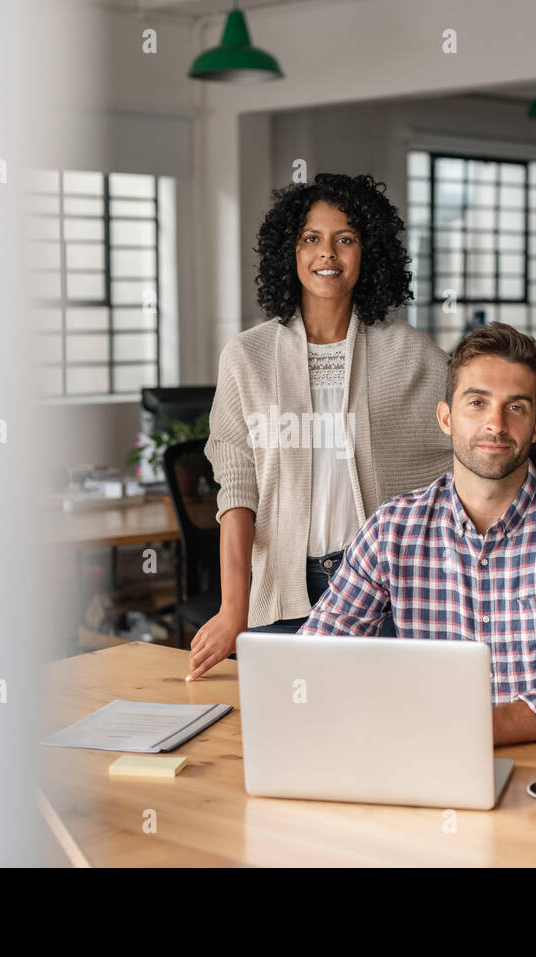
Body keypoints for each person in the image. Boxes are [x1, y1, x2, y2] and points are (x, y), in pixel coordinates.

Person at [297, 323, 536, 743]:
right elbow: (315, 655)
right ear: (446, 417)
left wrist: (481, 726)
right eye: (477, 402)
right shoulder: (392, 528)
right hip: (426, 758)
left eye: (515, 407)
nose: (495, 424)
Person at [188, 173, 452, 680]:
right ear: (289, 250)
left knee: (377, 740)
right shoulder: (248, 356)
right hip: (282, 593)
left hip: (385, 595)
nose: (326, 254)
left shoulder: (412, 354)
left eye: (345, 239)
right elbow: (237, 491)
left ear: (367, 253)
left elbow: (466, 454)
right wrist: (232, 607)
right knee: (283, 742)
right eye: (311, 238)